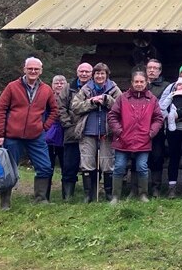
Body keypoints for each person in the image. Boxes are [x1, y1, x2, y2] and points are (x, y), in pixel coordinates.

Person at [0, 57, 57, 210]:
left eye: (36, 69)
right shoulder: (12, 87)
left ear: (41, 71)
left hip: (36, 136)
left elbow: (55, 110)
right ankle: (5, 203)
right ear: (24, 69)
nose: (33, 71)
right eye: (30, 69)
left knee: (45, 167)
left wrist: (45, 126)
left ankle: (40, 199)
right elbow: (0, 109)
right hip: (12, 136)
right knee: (8, 169)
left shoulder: (46, 89)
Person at [107, 70, 164, 204]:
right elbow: (112, 116)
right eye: (136, 81)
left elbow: (158, 118)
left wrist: (151, 132)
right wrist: (119, 131)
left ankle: (143, 194)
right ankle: (116, 196)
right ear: (132, 83)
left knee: (142, 167)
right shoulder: (122, 98)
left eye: (141, 81)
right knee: (119, 167)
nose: (139, 84)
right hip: (123, 140)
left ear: (146, 82)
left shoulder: (152, 99)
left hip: (143, 140)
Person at [71, 62, 122, 202]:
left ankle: (109, 193)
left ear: (107, 75)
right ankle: (89, 194)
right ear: (93, 76)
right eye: (97, 73)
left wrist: (106, 100)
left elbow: (121, 107)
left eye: (102, 73)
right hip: (87, 130)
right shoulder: (86, 89)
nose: (99, 76)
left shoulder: (114, 89)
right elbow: (75, 107)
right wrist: (91, 102)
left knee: (107, 162)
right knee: (87, 161)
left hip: (107, 131)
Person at [58, 63, 91, 201]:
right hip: (71, 132)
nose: (84, 74)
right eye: (81, 71)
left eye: (87, 72)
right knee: (69, 164)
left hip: (89, 132)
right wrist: (67, 125)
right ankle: (68, 196)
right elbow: (60, 107)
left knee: (88, 164)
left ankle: (89, 194)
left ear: (91, 73)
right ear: (77, 72)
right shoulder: (68, 88)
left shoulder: (94, 88)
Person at [144, 59, 168, 198]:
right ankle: (137, 188)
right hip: (139, 128)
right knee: (137, 156)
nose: (152, 70)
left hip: (157, 127)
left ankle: (156, 188)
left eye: (155, 68)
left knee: (157, 157)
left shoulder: (165, 86)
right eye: (150, 68)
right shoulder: (140, 83)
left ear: (160, 71)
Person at [44, 75, 67, 202]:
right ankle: (44, 196)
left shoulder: (70, 97)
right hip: (49, 136)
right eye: (56, 83)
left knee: (66, 166)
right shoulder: (47, 97)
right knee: (48, 166)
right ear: (52, 85)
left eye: (62, 83)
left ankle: (66, 196)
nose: (59, 85)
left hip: (65, 136)